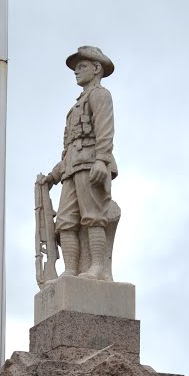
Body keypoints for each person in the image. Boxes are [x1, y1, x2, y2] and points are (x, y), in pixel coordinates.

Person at [39, 45, 118, 281]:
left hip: (90, 165)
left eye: (81, 66)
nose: (76, 71)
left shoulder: (100, 95)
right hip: (71, 169)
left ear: (96, 69)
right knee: (64, 221)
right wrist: (53, 175)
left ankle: (97, 268)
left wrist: (102, 160)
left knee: (93, 217)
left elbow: (105, 130)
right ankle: (71, 270)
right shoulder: (75, 106)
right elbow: (69, 147)